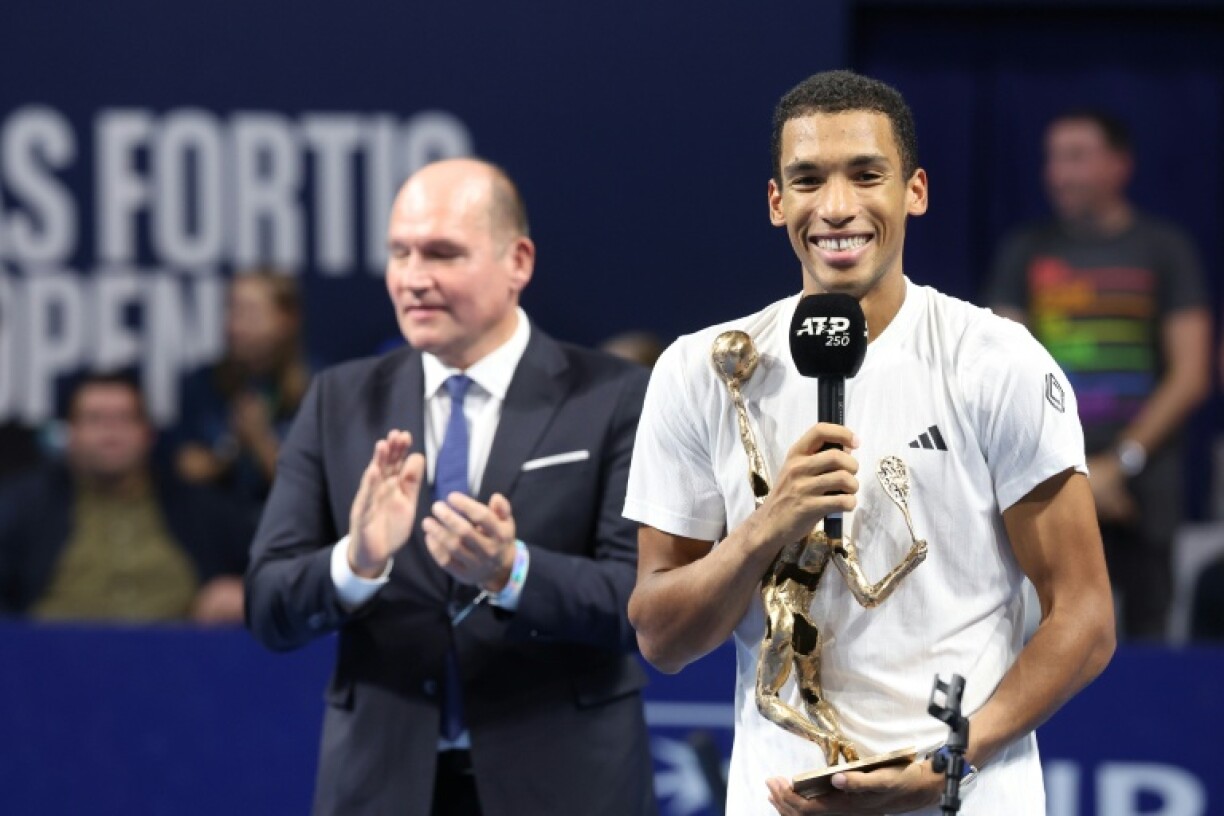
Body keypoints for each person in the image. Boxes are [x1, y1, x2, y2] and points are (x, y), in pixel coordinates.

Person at [625, 71, 1115, 815]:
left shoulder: (995, 362)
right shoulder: (703, 370)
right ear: (775, 202)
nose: (837, 207)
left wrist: (946, 761)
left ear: (914, 191)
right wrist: (765, 525)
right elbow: (661, 637)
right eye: (808, 180)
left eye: (866, 175)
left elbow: (1084, 618)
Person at [244, 159, 655, 816]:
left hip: (563, 784)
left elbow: (644, 603)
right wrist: (357, 562)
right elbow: (268, 607)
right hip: (381, 786)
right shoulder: (339, 401)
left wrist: (512, 572)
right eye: (399, 253)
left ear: (517, 261)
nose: (413, 278)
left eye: (442, 253)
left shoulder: (614, 398)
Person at [987, 110, 1212, 640]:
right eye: (1053, 159)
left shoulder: (1165, 250)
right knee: (1045, 631)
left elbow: (1192, 373)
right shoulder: (1024, 251)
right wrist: (1081, 470)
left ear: (1119, 165)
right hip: (1048, 469)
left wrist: (1120, 465)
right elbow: (1003, 371)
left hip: (1142, 482)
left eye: (1077, 157)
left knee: (1147, 636)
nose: (1059, 174)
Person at [0, 372, 250, 623]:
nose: (111, 431)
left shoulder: (201, 508)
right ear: (70, 434)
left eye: (124, 418)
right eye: (95, 419)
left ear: (149, 434)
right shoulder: (23, 508)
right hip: (52, 655)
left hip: (178, 655)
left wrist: (246, 594)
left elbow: (271, 572)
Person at [175, 268, 311, 513]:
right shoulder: (201, 383)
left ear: (287, 319)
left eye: (250, 313)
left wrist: (260, 439)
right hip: (216, 528)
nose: (235, 326)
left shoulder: (319, 390)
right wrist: (230, 452)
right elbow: (186, 469)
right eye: (231, 310)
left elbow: (313, 492)